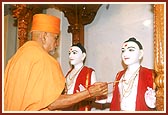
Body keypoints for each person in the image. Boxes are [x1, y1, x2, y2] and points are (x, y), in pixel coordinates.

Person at [4, 14, 108, 111]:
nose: (57, 43)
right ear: (44, 36)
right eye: (56, 38)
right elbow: (53, 103)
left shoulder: (14, 59)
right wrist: (89, 93)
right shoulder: (45, 60)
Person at [110, 37, 156, 111]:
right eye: (123, 51)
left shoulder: (150, 74)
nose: (125, 54)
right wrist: (105, 99)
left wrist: (155, 100)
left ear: (140, 54)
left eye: (131, 50)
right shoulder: (119, 75)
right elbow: (117, 97)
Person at [64, 43, 97, 111]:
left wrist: (85, 93)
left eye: (74, 53)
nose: (70, 56)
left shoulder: (89, 72)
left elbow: (95, 95)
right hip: (66, 108)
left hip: (80, 108)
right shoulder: (68, 73)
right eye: (69, 53)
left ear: (83, 56)